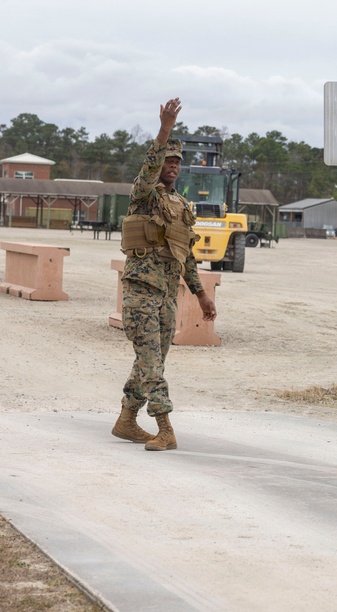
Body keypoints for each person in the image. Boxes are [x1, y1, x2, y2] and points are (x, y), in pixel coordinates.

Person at [111, 97, 217, 451]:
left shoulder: (182, 205)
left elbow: (186, 254)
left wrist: (201, 294)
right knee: (152, 363)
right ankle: (165, 428)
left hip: (167, 294)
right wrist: (165, 130)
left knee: (150, 361)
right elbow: (149, 167)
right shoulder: (143, 196)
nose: (172, 165)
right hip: (142, 290)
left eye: (177, 162)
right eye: (167, 160)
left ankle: (126, 420)